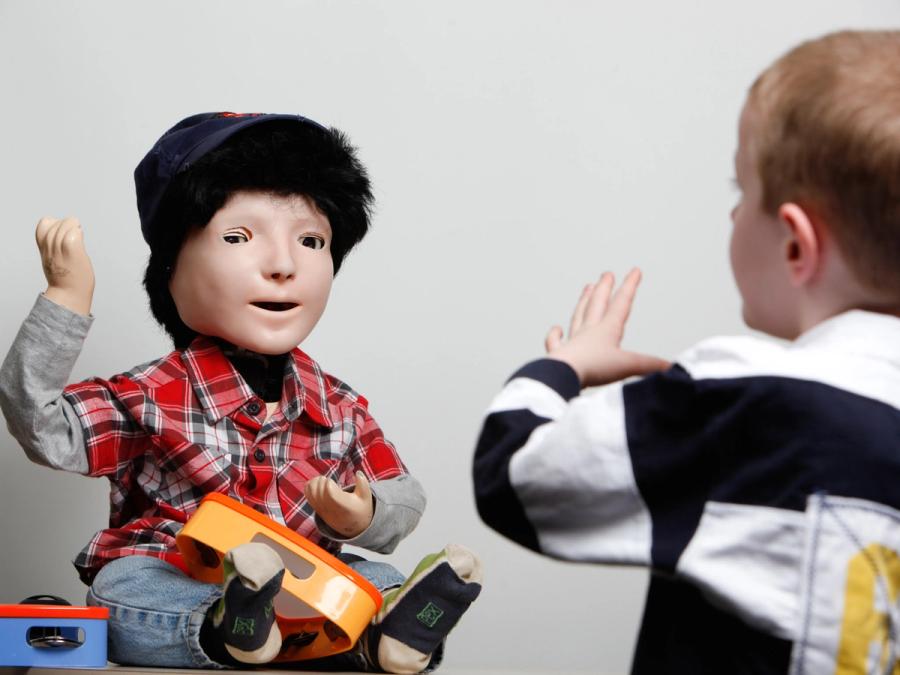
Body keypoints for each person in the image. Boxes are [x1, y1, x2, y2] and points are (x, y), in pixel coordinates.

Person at [472, 30, 900, 674]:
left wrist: (566, 367)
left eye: (741, 191)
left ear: (795, 245)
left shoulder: (745, 403)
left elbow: (514, 475)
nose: (733, 217)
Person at [0, 112, 481, 672]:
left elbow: (403, 494)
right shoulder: (151, 395)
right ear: (172, 269)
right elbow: (42, 426)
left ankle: (391, 636)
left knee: (379, 578)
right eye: (238, 237)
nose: (282, 264)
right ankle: (235, 624)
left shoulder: (340, 407)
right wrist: (66, 299)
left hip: (309, 581)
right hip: (177, 573)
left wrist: (365, 514)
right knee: (124, 586)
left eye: (311, 240)